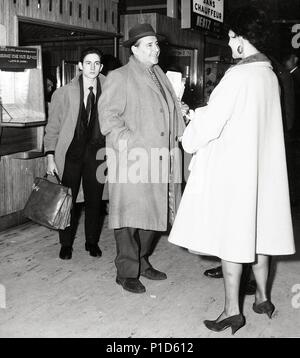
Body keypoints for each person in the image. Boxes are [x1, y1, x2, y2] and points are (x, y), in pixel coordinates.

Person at [168, 6, 295, 334]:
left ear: (243, 38)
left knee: (233, 241)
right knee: (261, 235)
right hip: (262, 169)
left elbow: (211, 123)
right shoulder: (269, 74)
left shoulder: (238, 76)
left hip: (236, 172)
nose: (229, 44)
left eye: (231, 37)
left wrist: (190, 124)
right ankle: (263, 299)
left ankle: (230, 312)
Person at [98, 23, 186, 294]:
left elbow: (164, 111)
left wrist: (178, 114)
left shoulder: (159, 74)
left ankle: (141, 260)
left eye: (156, 44)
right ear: (134, 50)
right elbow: (109, 120)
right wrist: (131, 143)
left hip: (163, 158)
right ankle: (126, 271)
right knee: (128, 219)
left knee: (156, 214)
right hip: (133, 160)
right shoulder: (119, 77)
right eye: (149, 45)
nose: (156, 49)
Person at [44, 47, 106, 260]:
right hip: (71, 154)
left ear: (101, 67)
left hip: (98, 155)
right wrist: (50, 156)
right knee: (67, 201)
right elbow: (52, 127)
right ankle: (66, 243)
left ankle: (92, 242)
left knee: (95, 201)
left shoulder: (110, 89)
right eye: (88, 63)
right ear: (80, 66)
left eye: (96, 63)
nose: (92, 67)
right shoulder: (63, 93)